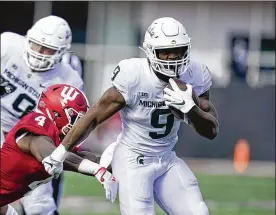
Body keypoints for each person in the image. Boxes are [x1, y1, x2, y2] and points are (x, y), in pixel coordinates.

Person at [45, 17, 219, 215]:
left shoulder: (194, 75)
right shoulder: (134, 75)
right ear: (150, 51)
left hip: (166, 158)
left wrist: (191, 109)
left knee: (198, 212)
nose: (172, 57)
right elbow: (94, 116)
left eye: (177, 50)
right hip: (132, 160)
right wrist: (60, 152)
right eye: (165, 51)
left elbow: (211, 130)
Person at [1, 15, 84, 215]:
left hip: (30, 137)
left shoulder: (69, 79)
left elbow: (63, 126)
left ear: (62, 52)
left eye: (48, 49)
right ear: (27, 38)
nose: (40, 53)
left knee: (40, 205)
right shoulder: (7, 45)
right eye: (37, 45)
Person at [0, 84, 117, 215]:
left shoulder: (56, 140)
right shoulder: (37, 124)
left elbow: (88, 160)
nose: (78, 125)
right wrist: (96, 169)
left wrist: (120, 157)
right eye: (75, 118)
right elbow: (51, 155)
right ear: (57, 113)